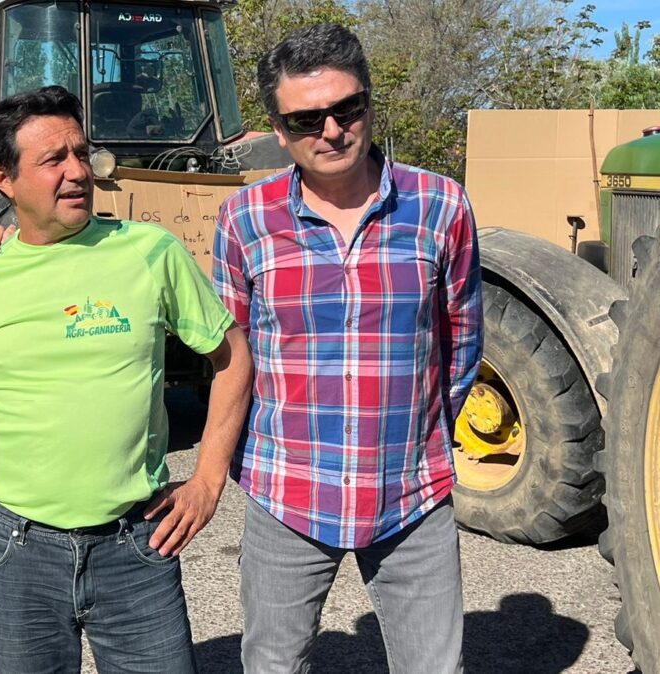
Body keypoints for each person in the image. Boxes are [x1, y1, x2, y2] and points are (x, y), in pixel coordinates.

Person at [0, 86, 253, 674]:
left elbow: (233, 355)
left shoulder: (149, 252)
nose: (78, 172)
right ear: (3, 179)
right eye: (53, 160)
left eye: (82, 154)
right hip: (16, 550)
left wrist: (208, 482)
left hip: (135, 543)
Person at [213, 24, 482, 673]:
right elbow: (231, 354)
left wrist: (416, 438)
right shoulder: (244, 220)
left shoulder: (439, 206)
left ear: (367, 105)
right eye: (305, 119)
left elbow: (463, 340)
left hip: (410, 493)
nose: (330, 130)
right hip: (287, 491)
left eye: (346, 109)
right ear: (278, 129)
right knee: (273, 664)